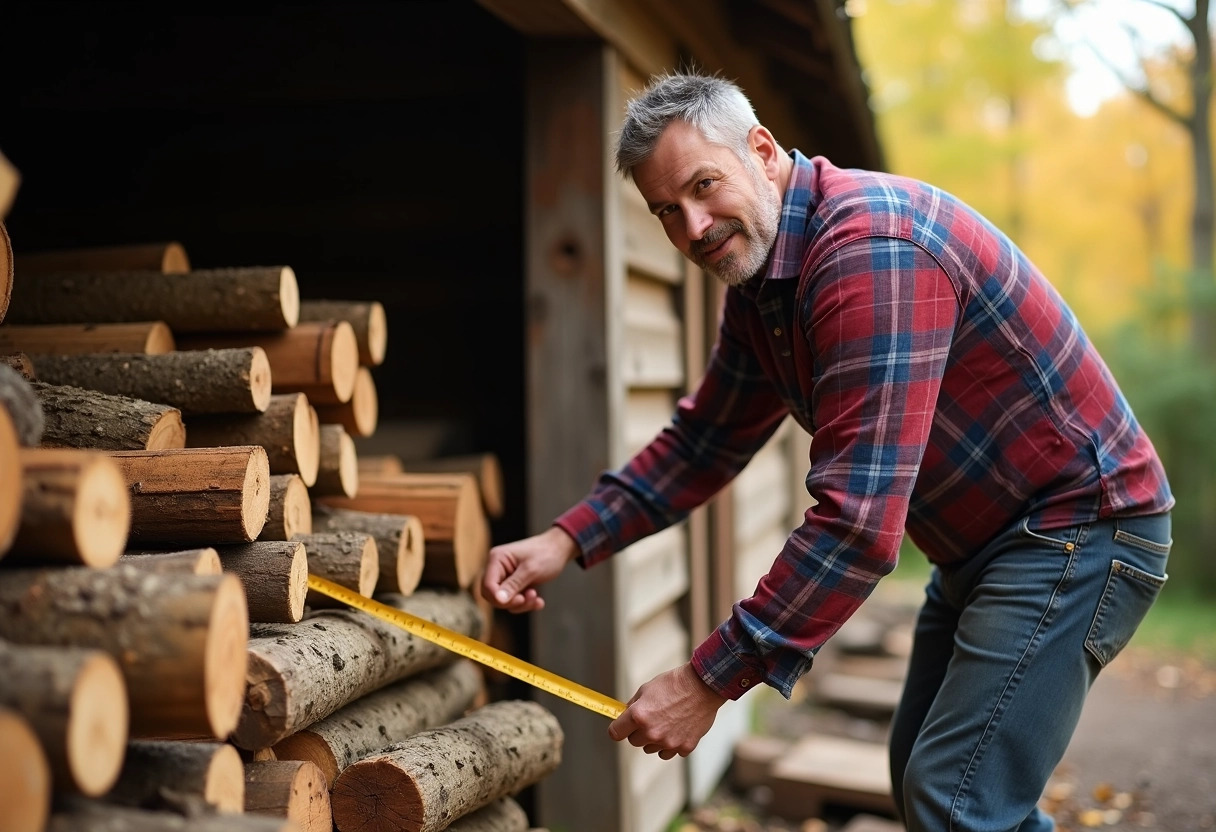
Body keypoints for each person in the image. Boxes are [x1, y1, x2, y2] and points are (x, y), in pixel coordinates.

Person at [482, 72, 1174, 832]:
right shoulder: (762, 280)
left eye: (704, 186)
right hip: (989, 544)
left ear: (762, 148)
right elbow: (705, 442)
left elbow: (856, 525)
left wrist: (705, 681)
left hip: (1080, 529)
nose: (693, 226)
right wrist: (565, 538)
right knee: (932, 784)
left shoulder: (867, 253)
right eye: (665, 212)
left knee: (957, 799)